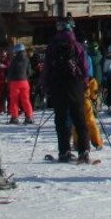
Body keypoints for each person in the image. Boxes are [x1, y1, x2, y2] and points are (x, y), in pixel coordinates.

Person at [42, 19, 92, 163]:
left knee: (61, 119)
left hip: (57, 85)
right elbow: (84, 66)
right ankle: (84, 150)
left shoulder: (52, 46)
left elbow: (47, 68)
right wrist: (85, 82)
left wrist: (45, 85)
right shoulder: (77, 45)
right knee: (79, 118)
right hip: (75, 85)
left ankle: (64, 151)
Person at [5, 43, 35, 124]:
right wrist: (26, 77)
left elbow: (10, 72)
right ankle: (29, 117)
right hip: (24, 82)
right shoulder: (27, 59)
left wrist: (8, 80)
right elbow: (29, 72)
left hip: (14, 82)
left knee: (14, 100)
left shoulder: (14, 60)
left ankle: (14, 118)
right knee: (26, 100)